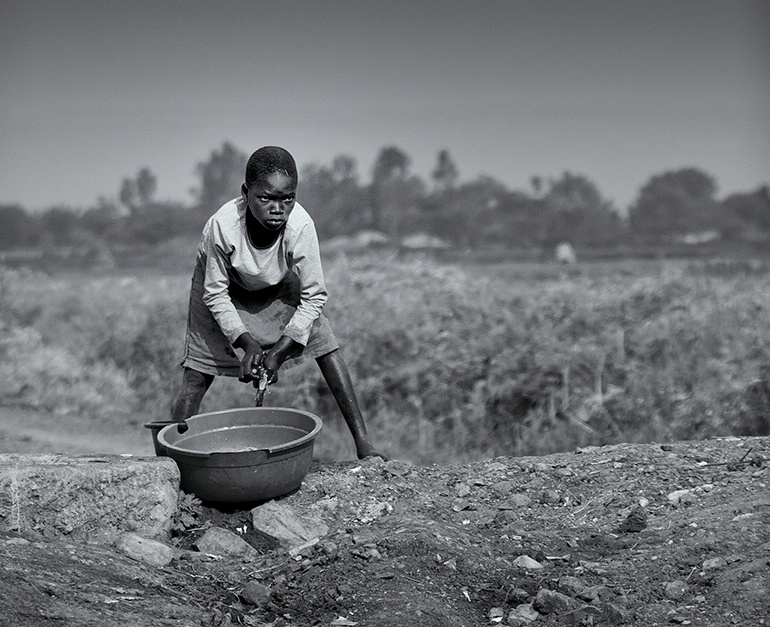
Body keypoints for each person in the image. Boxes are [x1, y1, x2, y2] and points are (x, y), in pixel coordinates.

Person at [170, 146, 382, 460]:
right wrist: (246, 344)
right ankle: (170, 460)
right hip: (221, 288)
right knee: (198, 373)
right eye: (266, 198)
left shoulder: (300, 226)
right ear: (246, 193)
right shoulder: (223, 227)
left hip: (278, 285)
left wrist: (281, 350)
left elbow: (314, 296)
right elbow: (214, 294)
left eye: (287, 198)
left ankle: (364, 444)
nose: (277, 208)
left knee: (324, 341)